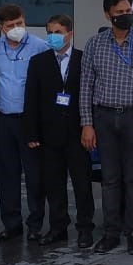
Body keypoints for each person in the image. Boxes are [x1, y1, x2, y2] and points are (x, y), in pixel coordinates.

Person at [80, 0, 133, 255]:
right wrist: (87, 123)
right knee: (110, 179)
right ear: (108, 15)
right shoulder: (95, 44)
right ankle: (111, 233)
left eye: (128, 11)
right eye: (120, 12)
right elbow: (86, 86)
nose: (126, 15)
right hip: (103, 117)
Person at [24, 15, 95, 248]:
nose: (53, 36)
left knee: (82, 184)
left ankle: (85, 228)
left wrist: (90, 127)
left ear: (70, 33)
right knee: (54, 184)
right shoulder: (39, 61)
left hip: (77, 133)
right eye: (50, 32)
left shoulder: (83, 60)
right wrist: (32, 132)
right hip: (49, 134)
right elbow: (31, 98)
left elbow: (92, 97)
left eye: (58, 32)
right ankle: (58, 227)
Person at [0, 3, 45, 241]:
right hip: (4, 118)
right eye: (11, 25)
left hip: (29, 119)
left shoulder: (39, 47)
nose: (16, 28)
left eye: (20, 23)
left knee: (34, 174)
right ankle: (11, 223)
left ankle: (35, 223)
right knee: (7, 174)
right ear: (1, 28)